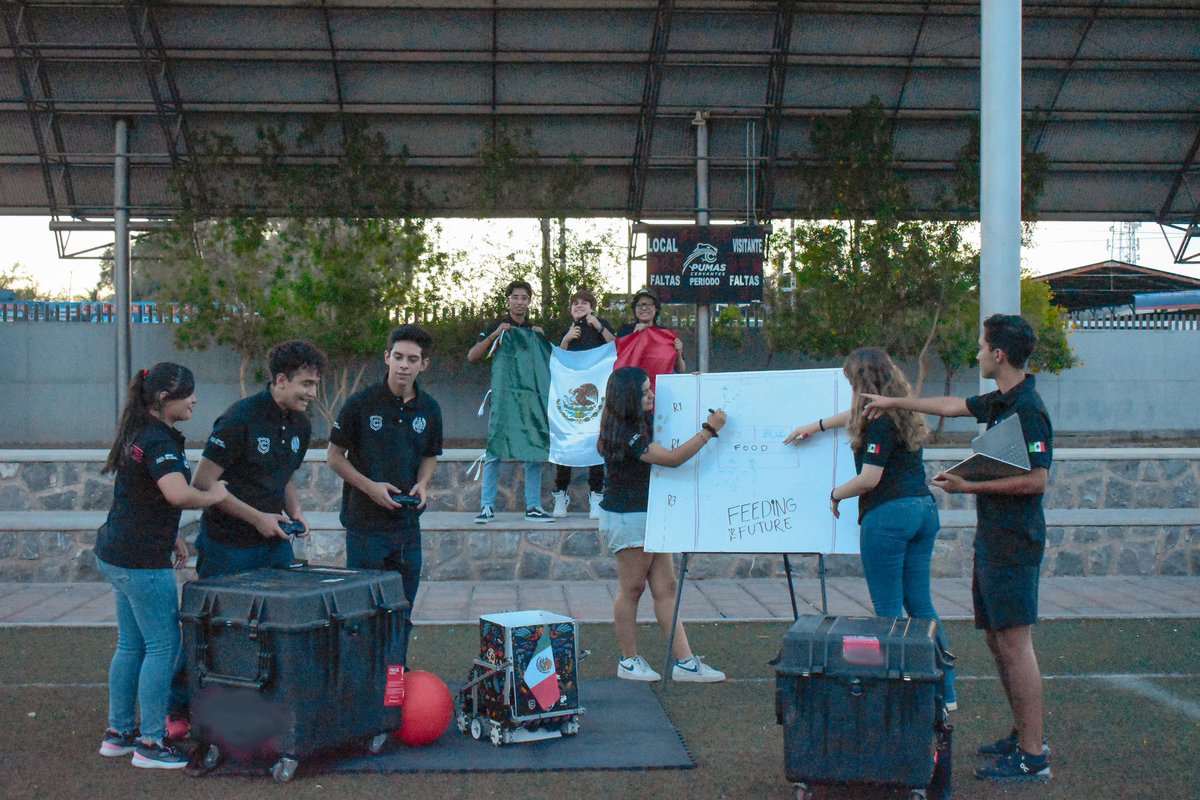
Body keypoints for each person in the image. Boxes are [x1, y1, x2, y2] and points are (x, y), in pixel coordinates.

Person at [862, 314, 1053, 783]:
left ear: (999, 355)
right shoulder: (1001, 399)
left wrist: (967, 488)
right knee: (996, 639)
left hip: (1016, 541)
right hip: (994, 538)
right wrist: (892, 399)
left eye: (982, 347)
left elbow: (1037, 480)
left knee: (1014, 641)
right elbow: (948, 405)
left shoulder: (1028, 407)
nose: (978, 354)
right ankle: (1020, 735)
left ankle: (1033, 753)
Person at [783, 347, 956, 710]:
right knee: (922, 607)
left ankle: (900, 697)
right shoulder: (899, 408)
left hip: (889, 517)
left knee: (889, 613)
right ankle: (945, 692)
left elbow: (869, 479)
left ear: (860, 382)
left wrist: (835, 494)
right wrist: (814, 427)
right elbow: (854, 415)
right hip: (923, 510)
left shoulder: (878, 422)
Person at [95, 363, 228, 769]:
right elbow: (176, 494)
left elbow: (138, 493)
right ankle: (151, 743)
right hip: (139, 563)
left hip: (116, 553)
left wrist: (171, 535)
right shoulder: (158, 440)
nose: (195, 399)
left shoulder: (140, 433)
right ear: (163, 399)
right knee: (161, 647)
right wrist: (215, 495)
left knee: (131, 644)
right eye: (188, 393)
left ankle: (118, 734)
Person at [598, 366, 726, 683]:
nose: (651, 395)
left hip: (650, 516)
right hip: (628, 518)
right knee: (632, 589)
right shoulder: (626, 435)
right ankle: (628, 660)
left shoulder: (642, 424)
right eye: (644, 391)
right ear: (629, 398)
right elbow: (671, 458)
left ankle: (685, 662)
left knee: (666, 589)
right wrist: (709, 431)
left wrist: (692, 388)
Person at [328, 325, 443, 657]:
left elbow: (429, 456)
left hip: (407, 527)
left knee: (401, 611)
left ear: (424, 364)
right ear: (386, 358)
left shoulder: (430, 408)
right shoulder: (360, 403)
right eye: (398, 357)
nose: (403, 365)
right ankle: (362, 683)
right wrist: (369, 487)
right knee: (363, 612)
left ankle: (395, 677)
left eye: (412, 359)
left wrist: (423, 484)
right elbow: (334, 458)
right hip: (365, 527)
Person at [191, 340, 326, 578]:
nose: (313, 394)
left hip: (274, 544)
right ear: (281, 380)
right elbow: (202, 483)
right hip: (228, 546)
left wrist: (295, 513)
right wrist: (256, 519)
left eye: (315, 385)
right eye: (306, 384)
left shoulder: (302, 424)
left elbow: (285, 476)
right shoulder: (239, 418)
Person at [467, 280, 553, 524]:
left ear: (529, 301)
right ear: (508, 300)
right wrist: (495, 334)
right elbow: (473, 355)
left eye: (524, 298)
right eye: (515, 297)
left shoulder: (535, 330)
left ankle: (533, 507)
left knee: (534, 449)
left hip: (530, 399)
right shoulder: (498, 326)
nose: (519, 302)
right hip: (504, 398)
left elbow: (548, 362)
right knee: (495, 448)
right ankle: (487, 507)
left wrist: (542, 340)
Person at [551, 288, 616, 519]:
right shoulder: (567, 330)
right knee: (567, 440)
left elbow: (616, 347)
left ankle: (596, 495)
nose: (579, 306)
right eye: (575, 303)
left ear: (592, 306)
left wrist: (598, 325)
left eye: (584, 303)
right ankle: (560, 493)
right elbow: (558, 361)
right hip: (570, 397)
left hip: (596, 397)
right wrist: (566, 339)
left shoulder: (601, 325)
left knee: (594, 441)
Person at [615, 288, 686, 375]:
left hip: (658, 386)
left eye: (648, 304)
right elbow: (618, 363)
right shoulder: (624, 331)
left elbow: (681, 370)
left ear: (656, 308)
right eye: (640, 305)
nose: (644, 308)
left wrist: (679, 353)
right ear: (634, 309)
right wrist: (633, 336)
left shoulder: (666, 335)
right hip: (632, 385)